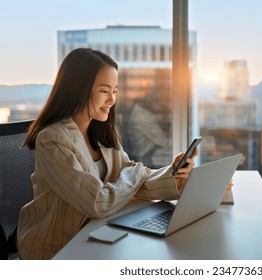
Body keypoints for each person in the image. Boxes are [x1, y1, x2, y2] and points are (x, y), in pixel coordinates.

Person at [18, 48, 197, 260]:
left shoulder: (101, 133)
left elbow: (129, 184)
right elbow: (98, 202)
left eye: (115, 90)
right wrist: (137, 171)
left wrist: (175, 177)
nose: (112, 100)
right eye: (104, 91)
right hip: (57, 249)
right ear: (78, 90)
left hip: (93, 235)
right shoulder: (53, 139)